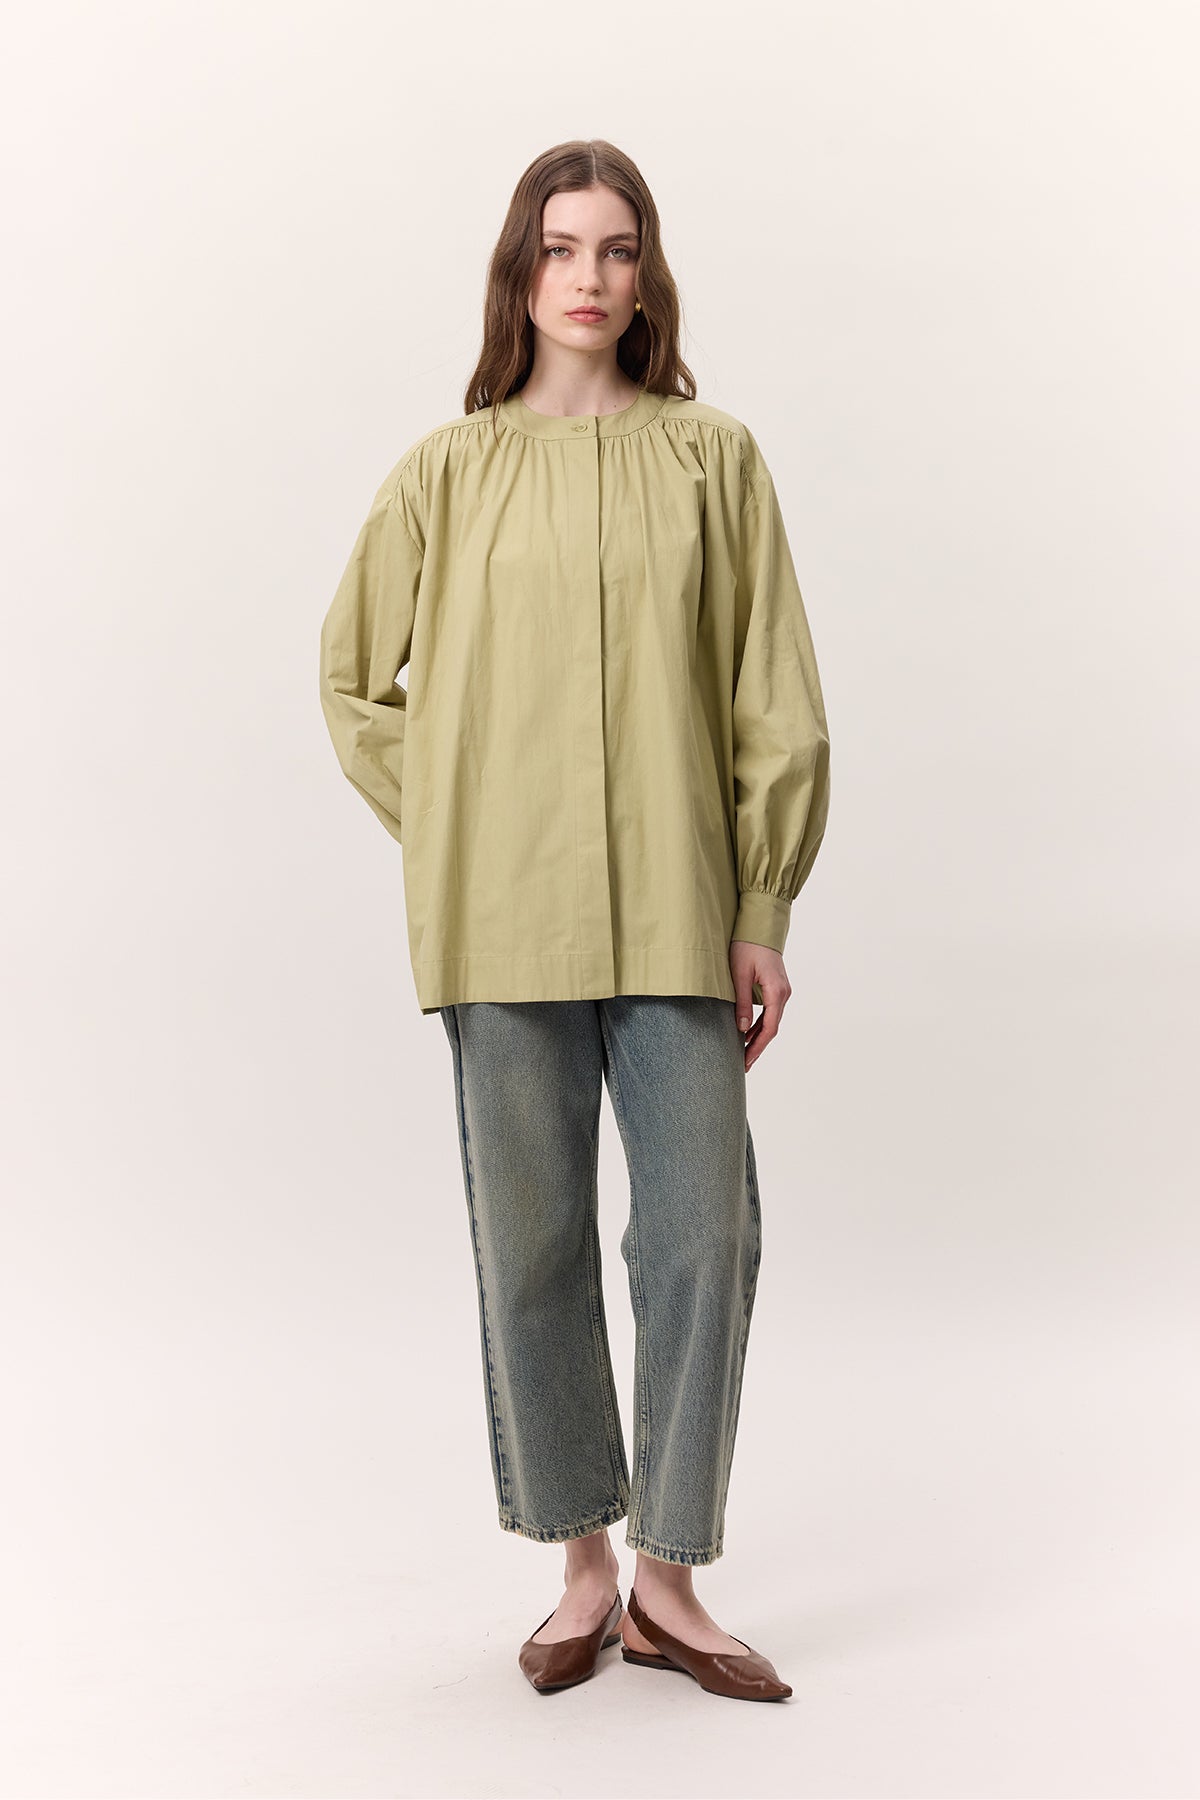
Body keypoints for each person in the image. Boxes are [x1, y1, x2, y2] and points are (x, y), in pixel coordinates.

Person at [319, 140, 831, 1702]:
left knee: (703, 1237)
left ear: (646, 273)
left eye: (616, 248)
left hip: (680, 918)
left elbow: (773, 697)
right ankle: (583, 1567)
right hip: (502, 933)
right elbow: (353, 681)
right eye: (560, 248)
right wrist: (459, 829)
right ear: (520, 273)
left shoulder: (714, 460)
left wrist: (761, 900)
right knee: (532, 1245)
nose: (590, 277)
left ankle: (671, 1580)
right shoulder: (447, 473)